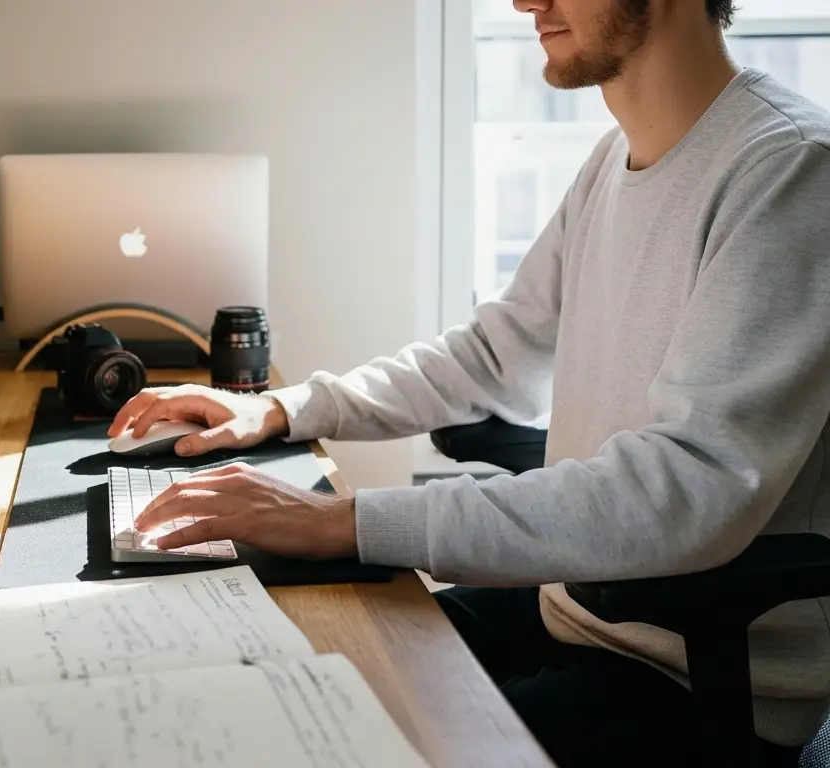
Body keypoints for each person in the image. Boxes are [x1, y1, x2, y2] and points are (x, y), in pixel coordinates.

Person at [107, 0, 830, 764]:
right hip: (570, 607)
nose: (524, 2)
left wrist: (343, 521)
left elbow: (688, 487)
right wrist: (281, 409)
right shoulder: (609, 165)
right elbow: (494, 358)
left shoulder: (789, 170)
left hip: (692, 675)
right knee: (271, 673)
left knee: (339, 744)